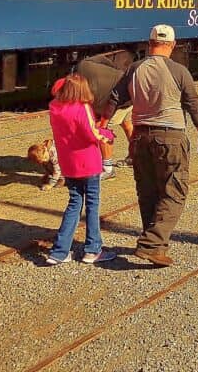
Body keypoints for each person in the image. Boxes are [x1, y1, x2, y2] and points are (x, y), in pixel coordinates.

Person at [110, 24, 198, 267]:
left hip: (140, 137)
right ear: (173, 45)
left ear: (149, 43)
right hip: (170, 136)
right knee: (175, 191)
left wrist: (101, 126)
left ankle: (156, 247)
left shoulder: (134, 68)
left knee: (148, 193)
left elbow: (115, 98)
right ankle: (152, 244)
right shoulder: (179, 70)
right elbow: (193, 103)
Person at [45, 73, 116, 265]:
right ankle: (93, 250)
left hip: (68, 164)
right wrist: (107, 134)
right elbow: (91, 134)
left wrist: (65, 82)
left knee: (74, 203)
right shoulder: (82, 108)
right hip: (88, 162)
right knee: (92, 205)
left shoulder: (55, 108)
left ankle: (59, 252)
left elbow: (58, 88)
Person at [78, 51, 135, 179]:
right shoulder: (84, 63)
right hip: (125, 85)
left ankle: (108, 169)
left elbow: (107, 107)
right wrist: (117, 72)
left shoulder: (90, 91)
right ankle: (136, 157)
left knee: (101, 130)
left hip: (118, 99)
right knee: (127, 124)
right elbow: (102, 59)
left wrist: (102, 122)